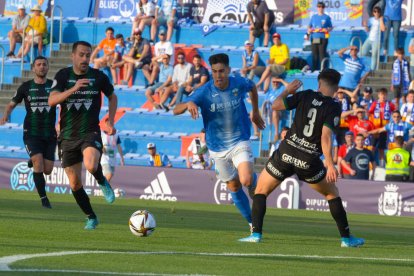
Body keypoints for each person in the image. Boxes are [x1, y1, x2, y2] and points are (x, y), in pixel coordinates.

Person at [239, 69, 365, 247]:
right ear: (336, 87)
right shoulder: (334, 106)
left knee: (260, 191)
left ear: (319, 83)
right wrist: (330, 164)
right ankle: (346, 239)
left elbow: (275, 106)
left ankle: (256, 235)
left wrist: (287, 90)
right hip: (308, 160)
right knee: (331, 193)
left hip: (286, 152)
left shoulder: (305, 95)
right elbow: (325, 136)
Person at [174, 53, 265, 233]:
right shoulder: (204, 91)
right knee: (233, 185)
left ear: (228, 70)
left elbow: (253, 87)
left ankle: (254, 181)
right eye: (214, 71)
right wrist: (189, 104)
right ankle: (251, 222)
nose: (218, 75)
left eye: (222, 71)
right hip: (217, 147)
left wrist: (255, 112)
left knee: (246, 180)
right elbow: (176, 109)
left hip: (239, 140)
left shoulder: (238, 83)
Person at [48, 41, 118, 230]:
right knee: (74, 182)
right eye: (81, 55)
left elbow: (113, 96)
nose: (85, 58)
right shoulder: (63, 75)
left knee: (90, 164)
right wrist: (73, 89)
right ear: (73, 56)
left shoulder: (98, 77)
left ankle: (102, 181)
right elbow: (52, 100)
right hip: (67, 136)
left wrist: (110, 120)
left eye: (88, 55)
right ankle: (91, 216)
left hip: (90, 131)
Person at [0, 56, 55, 208]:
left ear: (48, 67)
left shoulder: (54, 86)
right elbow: (11, 104)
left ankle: (33, 158)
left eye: (44, 64)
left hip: (50, 133)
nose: (42, 67)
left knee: (48, 170)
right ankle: (44, 199)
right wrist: (5, 116)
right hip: (32, 132)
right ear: (33, 68)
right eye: (39, 64)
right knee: (38, 162)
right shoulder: (25, 87)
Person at [368, 88, 396, 166]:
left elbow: (396, 113)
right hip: (375, 129)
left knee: (381, 149)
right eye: (381, 94)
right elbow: (369, 113)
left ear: (387, 95)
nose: (383, 96)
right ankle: (370, 165)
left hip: (384, 130)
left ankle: (381, 165)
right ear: (378, 95)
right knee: (372, 148)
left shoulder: (390, 104)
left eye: (384, 95)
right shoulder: (374, 103)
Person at [306, 2, 333, 71]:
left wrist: (327, 29)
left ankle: (322, 70)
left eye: (322, 7)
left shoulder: (326, 17)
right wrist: (308, 30)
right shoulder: (314, 17)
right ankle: (314, 69)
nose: (320, 8)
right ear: (317, 8)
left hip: (323, 38)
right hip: (314, 37)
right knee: (314, 54)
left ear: (324, 8)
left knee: (322, 54)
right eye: (319, 7)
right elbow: (309, 26)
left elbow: (331, 27)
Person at [361, 6, 386, 71]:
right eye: (375, 11)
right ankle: (377, 57)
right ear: (373, 13)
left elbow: (383, 29)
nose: (376, 13)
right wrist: (366, 26)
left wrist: (381, 20)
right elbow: (367, 30)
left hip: (377, 40)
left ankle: (371, 71)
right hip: (370, 39)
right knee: (363, 52)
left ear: (380, 13)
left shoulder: (383, 19)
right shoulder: (371, 19)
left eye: (378, 12)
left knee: (374, 55)